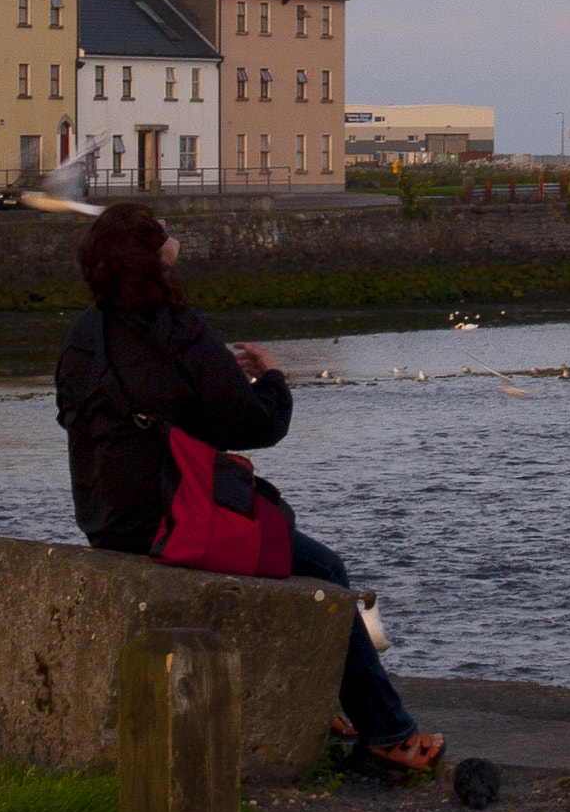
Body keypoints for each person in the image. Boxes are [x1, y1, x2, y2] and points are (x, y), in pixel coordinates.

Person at [54, 202, 444, 772]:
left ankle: (320, 705)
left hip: (105, 518)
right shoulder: (178, 333)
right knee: (325, 571)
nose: (173, 233)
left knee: (283, 547)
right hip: (170, 521)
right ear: (151, 256)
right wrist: (270, 376)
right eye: (164, 230)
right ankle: (388, 733)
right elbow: (258, 426)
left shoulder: (81, 336)